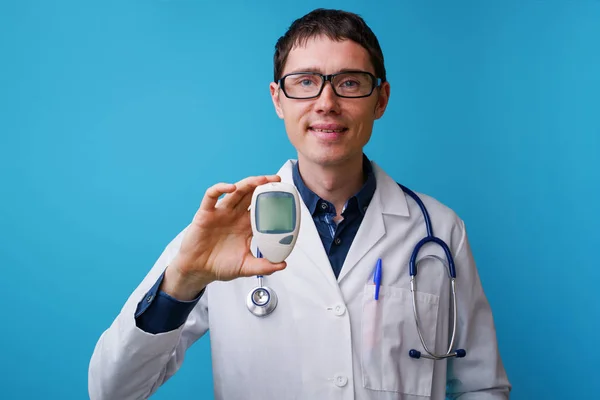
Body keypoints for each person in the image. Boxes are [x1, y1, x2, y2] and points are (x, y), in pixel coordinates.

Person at [88, 8, 511, 400]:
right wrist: (180, 282)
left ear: (380, 99)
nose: (326, 103)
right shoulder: (225, 227)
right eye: (305, 82)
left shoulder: (437, 229)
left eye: (349, 82)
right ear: (278, 99)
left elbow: (482, 387)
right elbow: (112, 389)